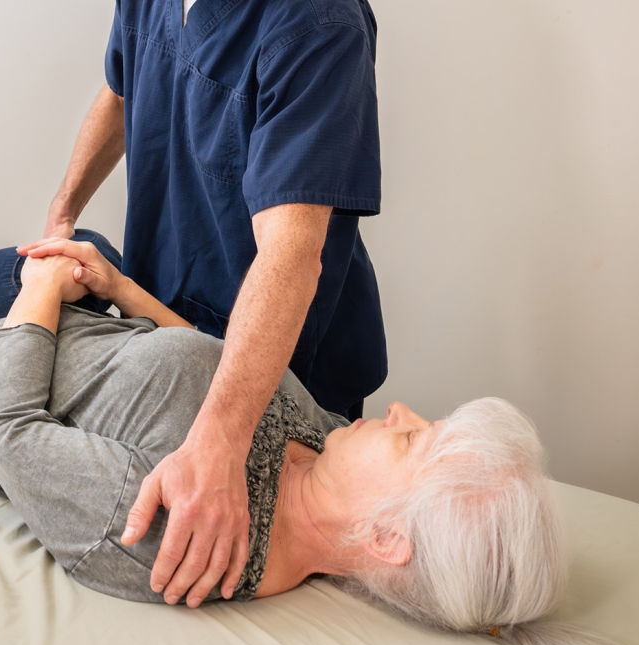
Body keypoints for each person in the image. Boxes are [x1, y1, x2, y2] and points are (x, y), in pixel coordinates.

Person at [0, 236, 639, 645]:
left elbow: (8, 435)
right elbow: (214, 359)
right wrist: (113, 281)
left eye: (413, 440)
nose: (397, 411)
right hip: (88, 305)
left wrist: (40, 296)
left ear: (390, 541)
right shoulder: (318, 441)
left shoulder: (187, 534)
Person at [34, 0, 389, 606]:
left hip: (284, 370)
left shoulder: (320, 23)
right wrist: (64, 211)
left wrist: (220, 441)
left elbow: (291, 252)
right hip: (165, 331)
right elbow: (123, 92)